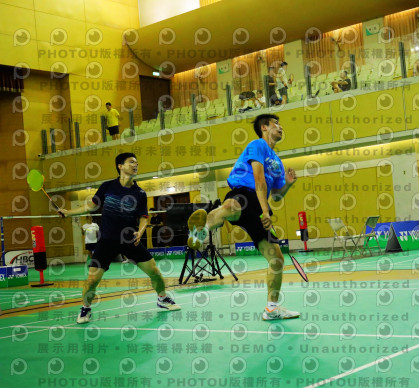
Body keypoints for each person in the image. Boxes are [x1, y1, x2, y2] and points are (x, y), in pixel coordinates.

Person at [186, 114, 299, 320]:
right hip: (246, 192)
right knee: (231, 206)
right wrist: (266, 211)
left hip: (260, 205)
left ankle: (272, 309)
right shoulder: (258, 145)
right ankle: (200, 231)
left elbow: (276, 195)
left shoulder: (277, 162)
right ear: (264, 128)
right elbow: (258, 179)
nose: (280, 127)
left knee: (276, 260)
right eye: (275, 123)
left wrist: (288, 184)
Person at [58, 152, 181, 323]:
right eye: (131, 162)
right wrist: (68, 212)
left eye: (137, 163)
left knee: (155, 272)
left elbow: (144, 217)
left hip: (130, 240)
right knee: (92, 279)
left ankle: (162, 298)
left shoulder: (140, 193)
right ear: (120, 166)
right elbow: (90, 206)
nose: (136, 165)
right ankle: (85, 308)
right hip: (107, 240)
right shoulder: (107, 187)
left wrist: (141, 231)